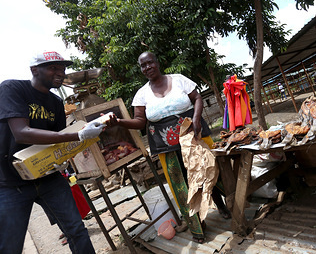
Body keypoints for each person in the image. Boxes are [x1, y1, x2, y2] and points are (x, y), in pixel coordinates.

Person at [107, 51, 230, 244]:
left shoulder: (179, 79)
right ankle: (197, 225)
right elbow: (140, 122)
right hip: (166, 146)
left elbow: (197, 98)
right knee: (181, 185)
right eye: (143, 65)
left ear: (157, 62)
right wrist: (120, 122)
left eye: (150, 63)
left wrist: (196, 119)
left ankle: (224, 205)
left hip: (193, 135)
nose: (147, 67)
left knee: (208, 171)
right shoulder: (141, 94)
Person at [0, 51, 105, 254]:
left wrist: (64, 158)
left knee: (76, 230)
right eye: (53, 68)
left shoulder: (56, 103)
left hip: (47, 177)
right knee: (10, 246)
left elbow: (57, 140)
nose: (60, 73)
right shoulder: (12, 88)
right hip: (11, 183)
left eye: (63, 68)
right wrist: (79, 136)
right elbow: (22, 133)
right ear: (34, 70)